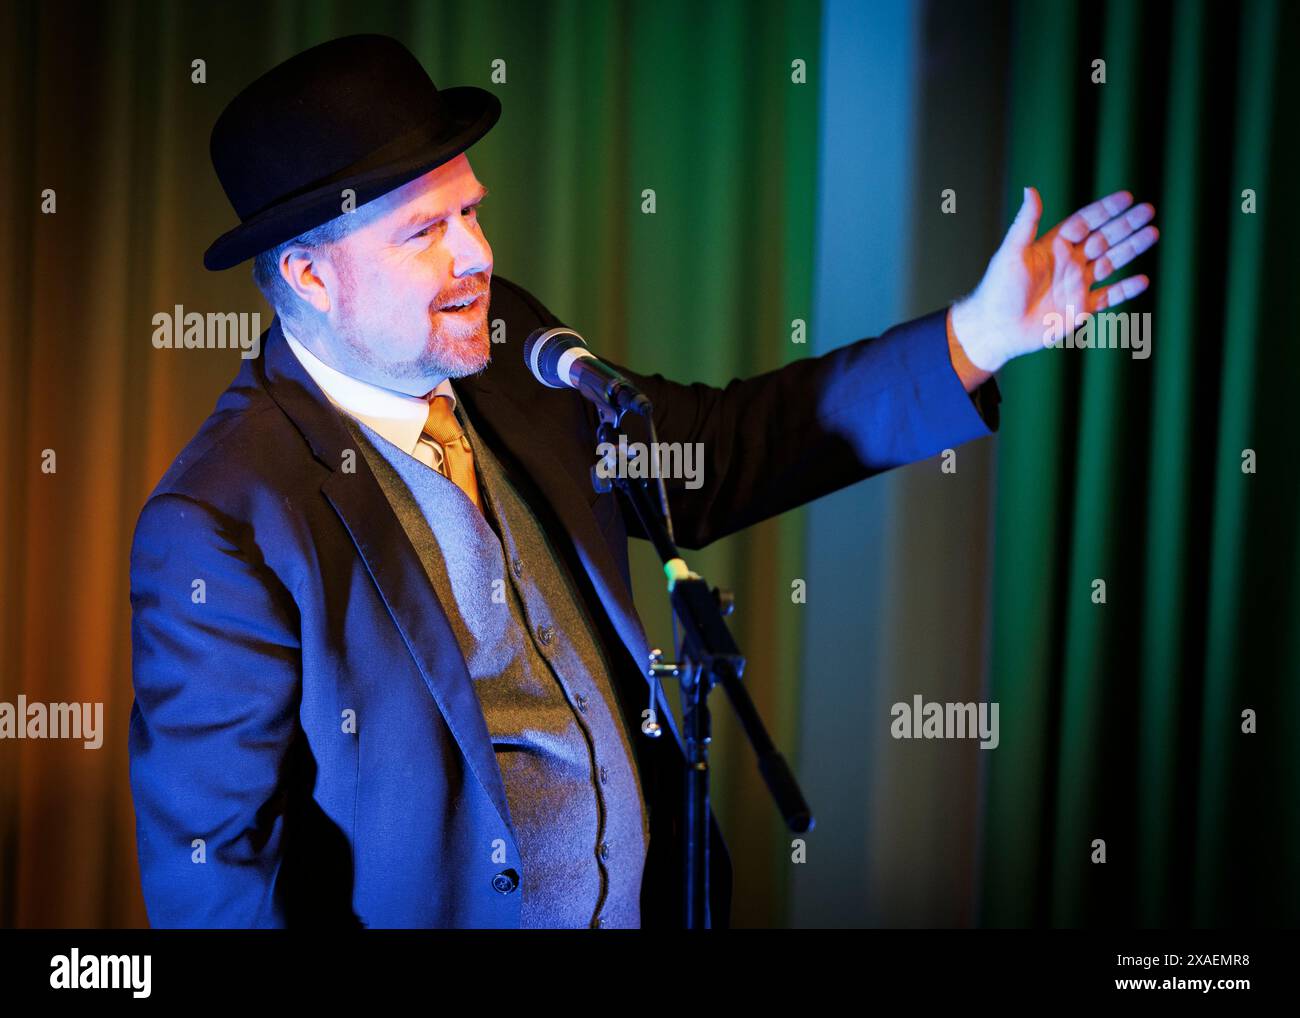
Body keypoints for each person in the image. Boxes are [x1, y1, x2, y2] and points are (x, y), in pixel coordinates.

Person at [127, 34, 1158, 929]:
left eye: (472, 214)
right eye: (425, 232)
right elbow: (212, 870)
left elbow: (720, 446)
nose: (476, 256)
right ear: (310, 274)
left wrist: (976, 337)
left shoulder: (504, 344)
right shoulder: (222, 519)